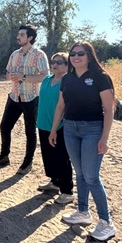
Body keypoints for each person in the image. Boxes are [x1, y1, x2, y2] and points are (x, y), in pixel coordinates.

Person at [49, 41, 116, 241]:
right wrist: (54, 129)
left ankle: (106, 222)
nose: (76, 57)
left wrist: (104, 138)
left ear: (89, 56)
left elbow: (109, 109)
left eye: (81, 53)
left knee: (91, 177)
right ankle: (83, 212)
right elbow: (61, 106)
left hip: (92, 130)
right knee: (79, 173)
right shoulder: (67, 78)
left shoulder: (100, 77)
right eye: (73, 54)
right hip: (70, 129)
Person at [0, 25, 49, 175]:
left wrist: (24, 77)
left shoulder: (39, 54)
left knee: (30, 131)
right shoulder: (14, 54)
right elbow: (7, 73)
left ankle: (27, 162)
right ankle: (4, 156)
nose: (18, 37)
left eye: (22, 35)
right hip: (14, 97)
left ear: (30, 37)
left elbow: (44, 76)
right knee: (4, 127)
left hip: (31, 98)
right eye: (19, 34)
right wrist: (10, 76)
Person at [36, 52, 74, 203]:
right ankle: (54, 182)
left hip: (59, 126)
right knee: (48, 156)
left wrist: (55, 127)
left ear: (67, 65)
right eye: (53, 62)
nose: (55, 65)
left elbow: (63, 105)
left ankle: (67, 191)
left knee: (61, 158)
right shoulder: (47, 79)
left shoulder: (67, 81)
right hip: (43, 123)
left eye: (59, 62)